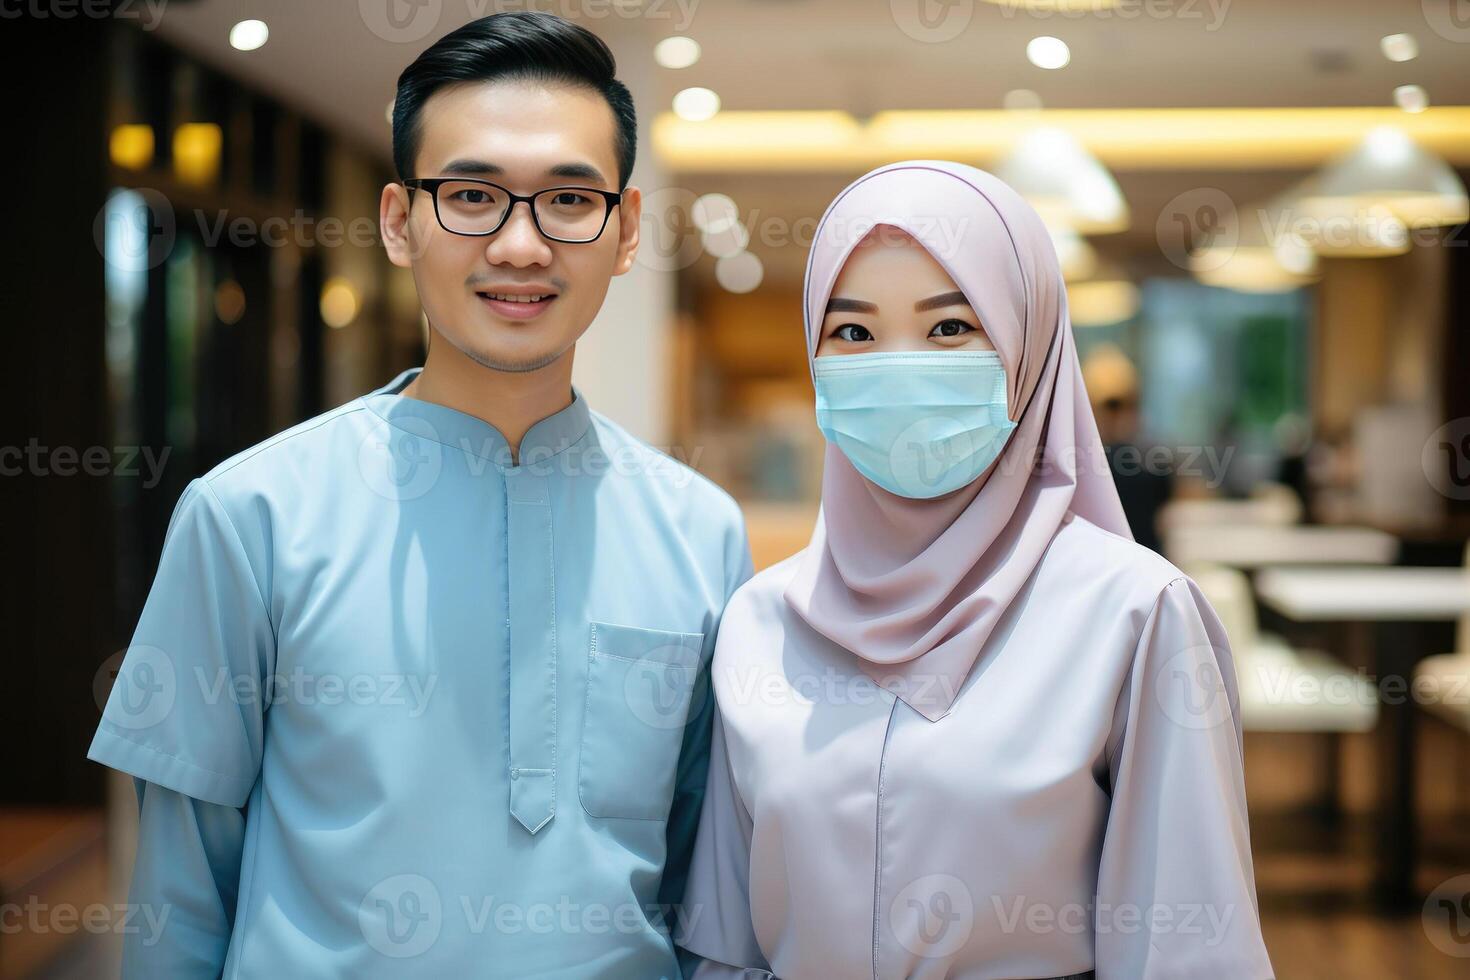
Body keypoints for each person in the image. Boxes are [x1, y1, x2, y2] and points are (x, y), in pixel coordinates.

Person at [89, 12, 750, 977]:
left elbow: (707, 899)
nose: (522, 246)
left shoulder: (700, 531)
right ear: (400, 221)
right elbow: (179, 904)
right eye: (473, 194)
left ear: (625, 230)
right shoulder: (251, 516)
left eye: (570, 199)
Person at [677, 162, 1273, 979]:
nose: (899, 367)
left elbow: (1187, 948)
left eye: (951, 328)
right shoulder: (760, 622)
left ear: (1028, 351)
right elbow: (724, 946)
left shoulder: (1134, 614)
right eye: (853, 333)